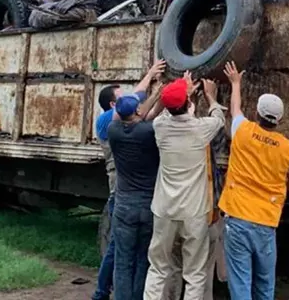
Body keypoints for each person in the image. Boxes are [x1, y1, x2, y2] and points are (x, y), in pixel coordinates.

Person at [218, 61, 289, 300]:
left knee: (240, 282)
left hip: (238, 217)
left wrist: (236, 83)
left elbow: (235, 109)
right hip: (266, 221)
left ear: (258, 113)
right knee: (265, 283)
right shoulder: (288, 148)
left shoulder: (242, 131)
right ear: (280, 119)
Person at [143, 75, 226, 300]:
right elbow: (218, 116)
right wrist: (210, 96)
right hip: (194, 214)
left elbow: (163, 111)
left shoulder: (160, 127)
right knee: (195, 274)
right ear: (188, 104)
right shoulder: (202, 130)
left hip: (164, 211)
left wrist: (182, 92)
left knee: (158, 268)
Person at [93, 61, 166, 300]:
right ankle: (104, 292)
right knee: (137, 257)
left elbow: (141, 112)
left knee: (122, 258)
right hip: (145, 203)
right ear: (113, 106)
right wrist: (159, 93)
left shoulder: (114, 129)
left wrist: (152, 85)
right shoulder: (140, 130)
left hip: (124, 204)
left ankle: (109, 294)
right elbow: (147, 115)